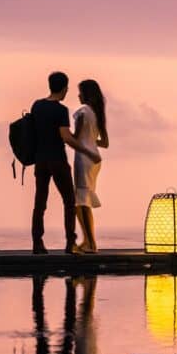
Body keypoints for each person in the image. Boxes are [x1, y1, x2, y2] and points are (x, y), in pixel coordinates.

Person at [31, 71, 99, 254]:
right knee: (69, 201)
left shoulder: (37, 106)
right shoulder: (61, 110)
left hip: (40, 160)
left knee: (40, 202)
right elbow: (66, 137)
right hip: (57, 160)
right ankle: (70, 243)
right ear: (64, 88)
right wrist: (88, 151)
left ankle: (37, 243)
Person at [71, 79, 109, 253]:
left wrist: (60, 134)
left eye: (80, 92)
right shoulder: (97, 113)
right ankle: (89, 242)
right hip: (95, 159)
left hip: (84, 158)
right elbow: (105, 143)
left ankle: (89, 242)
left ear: (86, 95)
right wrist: (91, 141)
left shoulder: (83, 112)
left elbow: (75, 137)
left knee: (80, 201)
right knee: (83, 200)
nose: (78, 95)